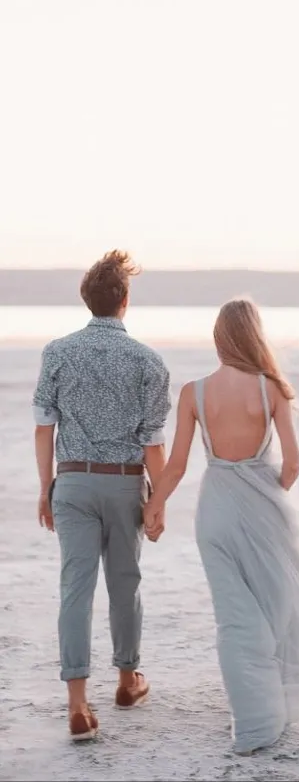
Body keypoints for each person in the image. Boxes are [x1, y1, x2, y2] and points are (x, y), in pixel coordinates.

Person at [144, 298, 299, 755]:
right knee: (277, 608)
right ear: (254, 336)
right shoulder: (270, 388)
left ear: (219, 339)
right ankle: (272, 712)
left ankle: (252, 720)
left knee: (233, 618)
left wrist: (154, 506)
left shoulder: (193, 392)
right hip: (264, 510)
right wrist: (269, 491)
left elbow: (175, 466)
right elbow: (293, 463)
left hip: (214, 510)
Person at [33, 250, 171, 741]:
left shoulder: (57, 352)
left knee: (75, 588)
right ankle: (128, 681)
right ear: (125, 301)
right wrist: (158, 504)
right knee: (124, 584)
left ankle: (77, 703)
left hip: (70, 481)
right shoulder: (148, 361)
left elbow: (44, 428)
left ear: (86, 300)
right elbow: (153, 443)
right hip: (124, 482)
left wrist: (46, 487)